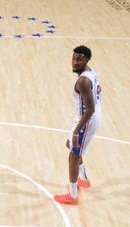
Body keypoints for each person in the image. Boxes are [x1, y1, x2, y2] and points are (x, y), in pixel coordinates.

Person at [54, 45, 103, 206]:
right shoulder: (90, 71)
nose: (75, 62)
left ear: (87, 60)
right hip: (87, 117)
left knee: (73, 155)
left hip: (86, 120)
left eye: (79, 59)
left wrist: (76, 131)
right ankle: (84, 180)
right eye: (74, 58)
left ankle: (73, 195)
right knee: (70, 145)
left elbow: (90, 109)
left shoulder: (82, 81)